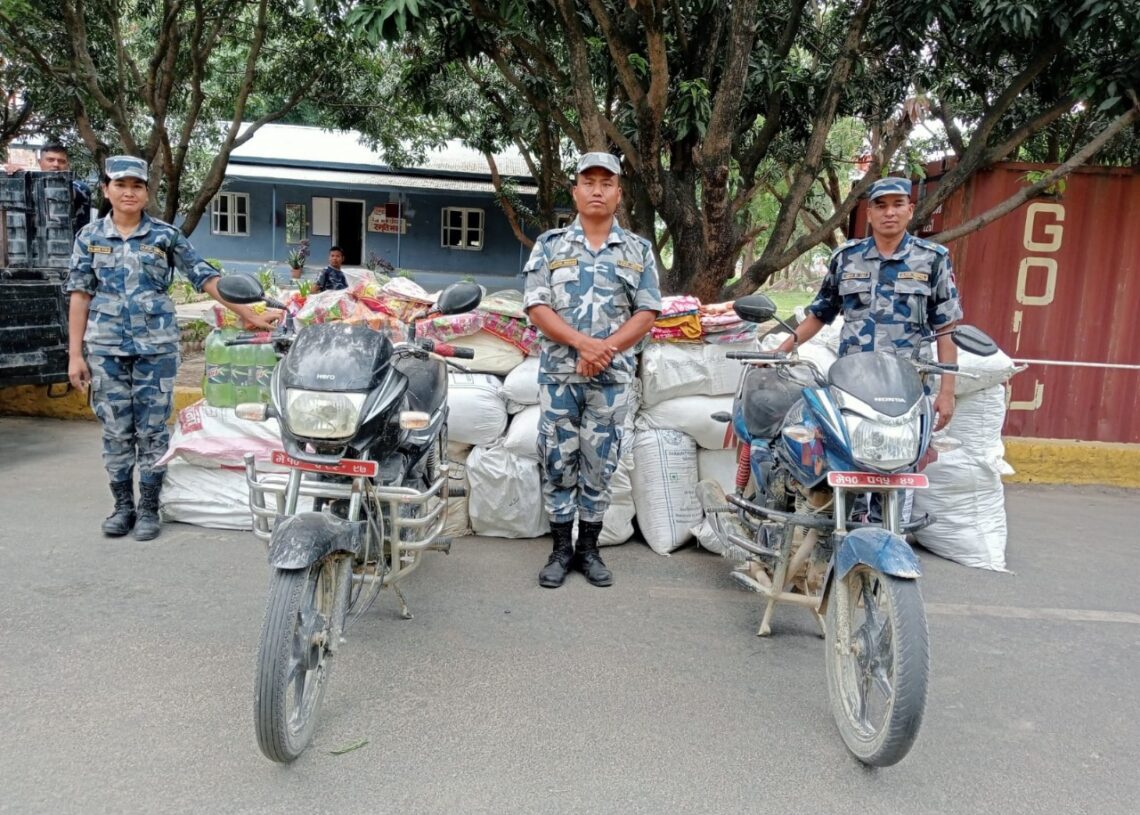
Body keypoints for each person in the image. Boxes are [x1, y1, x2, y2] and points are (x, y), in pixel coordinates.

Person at [65, 156, 276, 542]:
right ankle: (122, 506)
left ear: (147, 192)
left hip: (155, 350)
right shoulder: (89, 237)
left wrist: (248, 313)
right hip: (105, 351)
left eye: (137, 186)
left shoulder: (165, 236)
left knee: (152, 431)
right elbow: (80, 295)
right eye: (121, 184)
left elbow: (204, 276)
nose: (129, 192)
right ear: (106, 189)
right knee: (115, 431)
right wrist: (75, 355)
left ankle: (149, 506)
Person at [523, 152, 661, 588]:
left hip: (611, 378)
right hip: (560, 376)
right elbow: (537, 306)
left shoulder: (638, 250)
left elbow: (647, 312)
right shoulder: (549, 246)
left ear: (619, 193)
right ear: (575, 191)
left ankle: (588, 549)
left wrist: (605, 350)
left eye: (606, 183)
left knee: (600, 464)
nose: (597, 190)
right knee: (558, 460)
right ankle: (560, 550)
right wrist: (583, 344)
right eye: (589, 182)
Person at [777, 176, 963, 431]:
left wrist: (947, 392)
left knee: (911, 451)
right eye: (881, 205)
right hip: (855, 380)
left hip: (909, 383)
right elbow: (820, 314)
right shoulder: (846, 258)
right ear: (869, 214)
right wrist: (780, 352)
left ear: (910, 210)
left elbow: (946, 328)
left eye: (897, 204)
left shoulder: (932, 259)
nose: (889, 212)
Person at [5, 141, 92, 233]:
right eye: (50, 160)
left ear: (67, 164)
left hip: (73, 241)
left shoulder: (80, 188)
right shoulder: (33, 185)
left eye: (61, 161)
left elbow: (63, 192)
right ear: (40, 162)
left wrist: (23, 181)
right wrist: (16, 177)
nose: (56, 164)